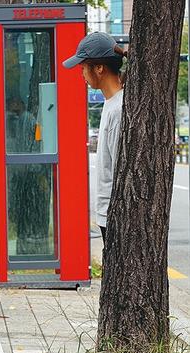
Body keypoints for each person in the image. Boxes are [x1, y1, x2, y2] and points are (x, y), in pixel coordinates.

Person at [63, 32, 126, 244]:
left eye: (83, 67)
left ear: (99, 68)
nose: (82, 73)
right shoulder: (112, 103)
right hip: (108, 212)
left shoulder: (118, 109)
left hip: (113, 215)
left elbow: (121, 170)